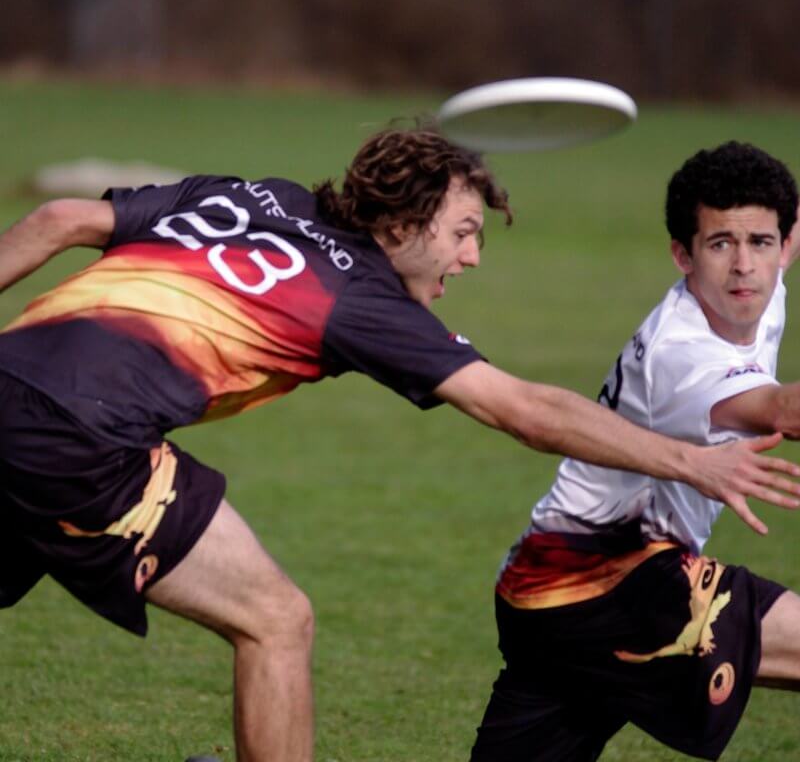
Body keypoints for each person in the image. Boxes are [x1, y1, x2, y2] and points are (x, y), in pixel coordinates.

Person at [0, 130, 798, 762]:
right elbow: (521, 408)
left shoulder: (263, 197)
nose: (472, 256)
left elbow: (59, 220)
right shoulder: (363, 303)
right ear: (405, 224)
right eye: (463, 232)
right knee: (277, 622)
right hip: (85, 437)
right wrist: (689, 460)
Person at [470, 140, 800, 762]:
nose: (744, 267)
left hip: (540, 591)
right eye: (719, 244)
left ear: (783, 246)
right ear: (682, 254)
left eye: (761, 243)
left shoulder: (761, 281)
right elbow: (783, 411)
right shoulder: (683, 352)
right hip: (608, 582)